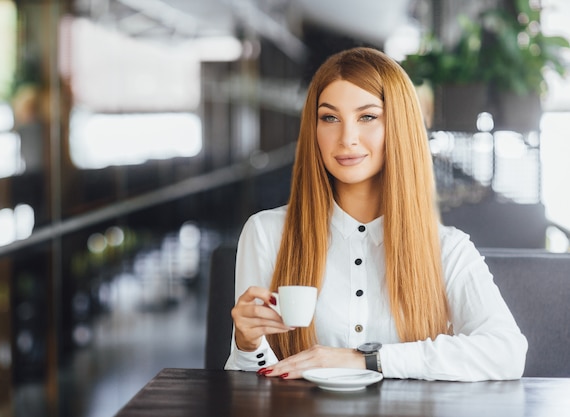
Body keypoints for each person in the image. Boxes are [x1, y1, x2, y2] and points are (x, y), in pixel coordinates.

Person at [223, 46, 528, 381]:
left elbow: (507, 352)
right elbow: (249, 383)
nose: (347, 138)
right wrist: (247, 343)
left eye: (367, 117)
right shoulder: (266, 233)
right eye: (329, 118)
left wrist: (366, 360)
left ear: (399, 126)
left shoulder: (447, 248)